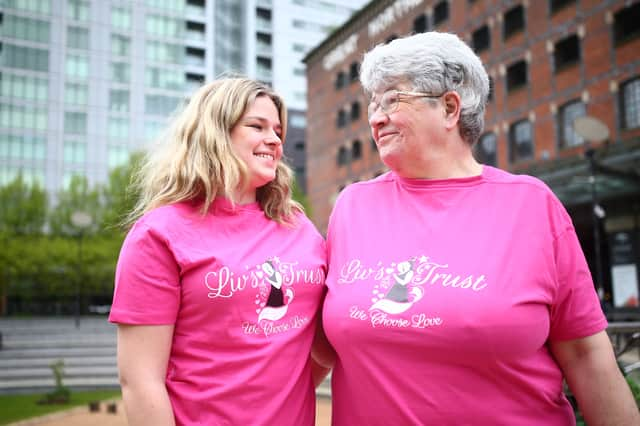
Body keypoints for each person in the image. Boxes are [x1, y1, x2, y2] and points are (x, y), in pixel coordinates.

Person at [316, 32, 640, 425]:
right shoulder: (352, 207)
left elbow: (587, 356)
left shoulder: (531, 206)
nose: (375, 117)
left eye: (392, 100)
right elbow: (316, 342)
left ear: (450, 108)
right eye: (372, 103)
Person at [109, 78, 326, 426]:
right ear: (215, 134)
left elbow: (319, 347)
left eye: (278, 130)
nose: (274, 139)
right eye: (257, 126)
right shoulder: (158, 235)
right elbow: (140, 382)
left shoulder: (299, 226)